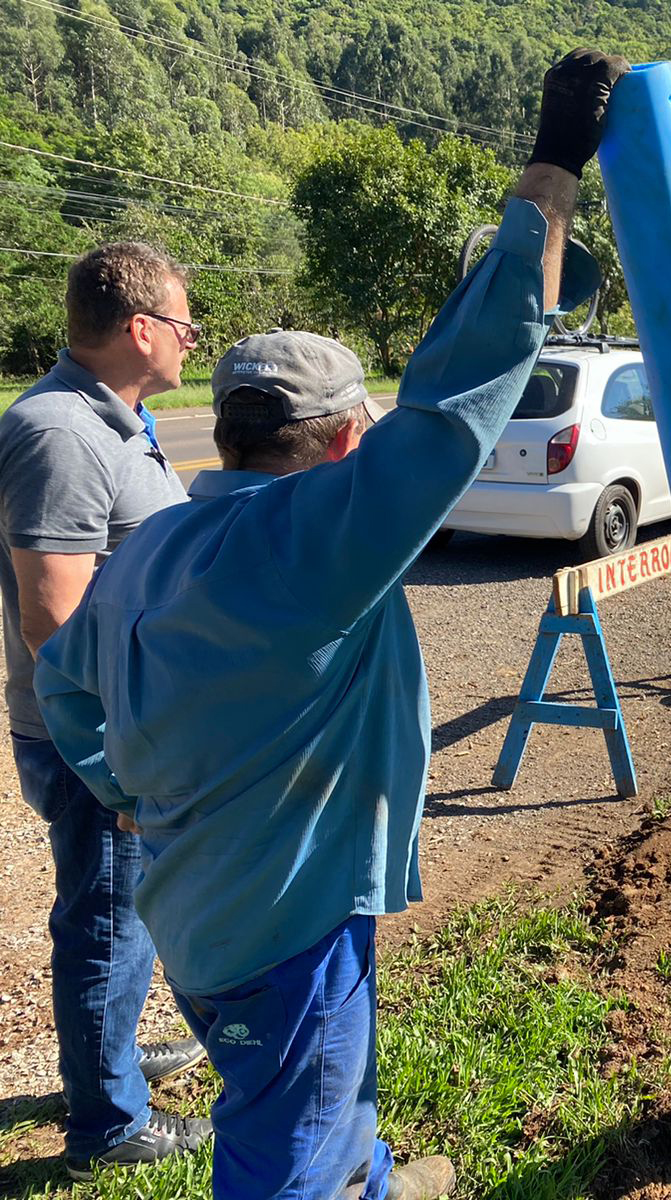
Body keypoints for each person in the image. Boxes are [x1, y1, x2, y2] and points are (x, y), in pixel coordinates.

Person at [33, 47, 624, 1200]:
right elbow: (458, 394)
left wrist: (152, 794)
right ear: (347, 440)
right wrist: (552, 168)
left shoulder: (156, 542)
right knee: (283, 1147)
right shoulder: (316, 547)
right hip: (281, 929)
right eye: (367, 430)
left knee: (317, 1095)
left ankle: (370, 1176)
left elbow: (65, 695)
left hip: (198, 905)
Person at [0, 242, 209, 1178]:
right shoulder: (59, 433)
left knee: (131, 911)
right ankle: (110, 1124)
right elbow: (55, 616)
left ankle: (108, 1057)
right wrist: (119, 751)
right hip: (99, 739)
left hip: (132, 728)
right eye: (183, 322)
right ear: (140, 329)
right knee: (109, 921)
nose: (192, 337)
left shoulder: (118, 419)